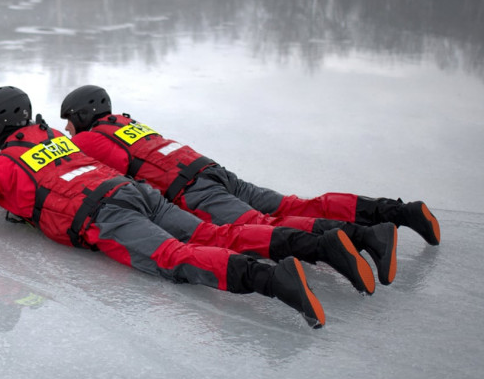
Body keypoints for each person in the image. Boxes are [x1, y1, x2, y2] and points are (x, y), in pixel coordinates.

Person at [0, 87, 383, 329]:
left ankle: (274, 280)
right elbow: (36, 160)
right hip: (136, 194)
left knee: (175, 258)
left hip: (106, 217)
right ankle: (317, 243)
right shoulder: (52, 136)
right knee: (213, 234)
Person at [59, 84, 442, 286]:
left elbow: (96, 180)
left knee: (260, 228)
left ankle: (363, 239)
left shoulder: (89, 140)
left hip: (196, 191)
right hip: (213, 170)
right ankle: (397, 212)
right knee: (294, 205)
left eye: (68, 122)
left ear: (81, 117)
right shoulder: (126, 123)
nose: (66, 130)